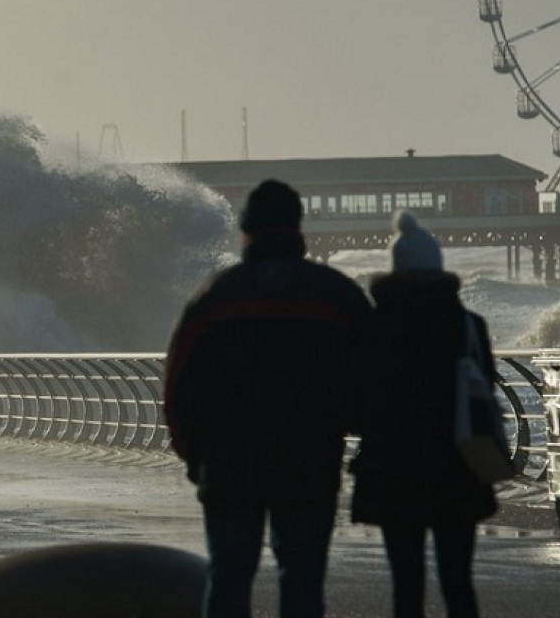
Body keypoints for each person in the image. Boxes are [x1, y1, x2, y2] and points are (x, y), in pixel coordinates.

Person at [163, 179, 371, 618]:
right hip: (310, 461)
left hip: (229, 463)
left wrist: (194, 454)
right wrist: (349, 430)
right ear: (298, 228)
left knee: (229, 578)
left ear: (246, 229)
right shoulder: (337, 294)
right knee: (302, 580)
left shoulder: (216, 295)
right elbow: (375, 380)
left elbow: (179, 382)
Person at [349, 211, 497, 618]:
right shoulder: (469, 325)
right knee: (458, 581)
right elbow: (486, 386)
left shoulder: (374, 327)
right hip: (459, 464)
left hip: (394, 468)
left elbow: (359, 399)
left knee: (407, 584)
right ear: (439, 268)